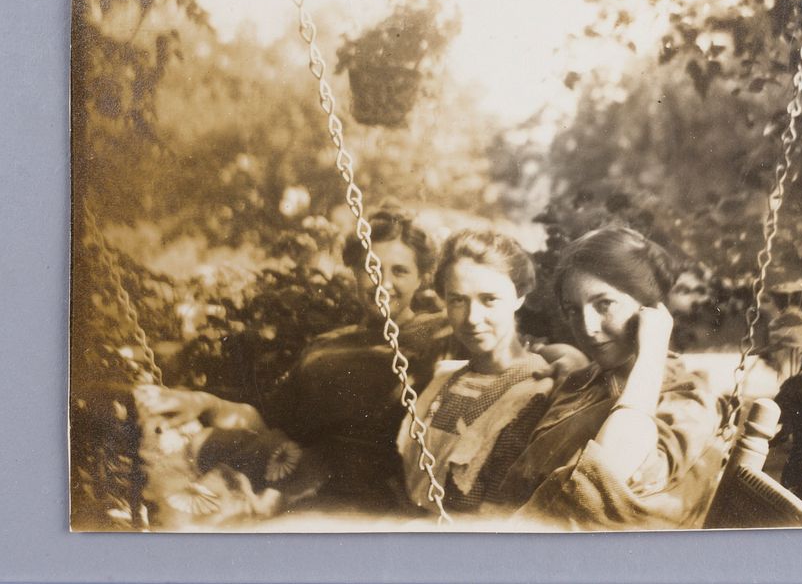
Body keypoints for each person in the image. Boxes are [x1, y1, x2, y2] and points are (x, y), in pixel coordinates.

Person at [139, 206, 456, 519]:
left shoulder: (436, 333)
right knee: (164, 442)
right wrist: (205, 402)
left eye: (400, 271)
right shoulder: (328, 345)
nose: (383, 284)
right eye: (370, 269)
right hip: (302, 474)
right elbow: (270, 420)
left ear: (422, 278)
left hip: (375, 489)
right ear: (355, 272)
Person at [500, 226, 727, 530]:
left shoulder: (687, 398)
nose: (588, 327)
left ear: (650, 307)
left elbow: (611, 472)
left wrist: (652, 351)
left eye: (604, 304)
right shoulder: (581, 382)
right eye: (573, 310)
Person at [397, 229, 563, 515]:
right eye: (458, 300)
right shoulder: (443, 379)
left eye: (489, 299)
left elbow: (496, 514)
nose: (472, 319)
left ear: (519, 296)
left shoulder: (535, 391)